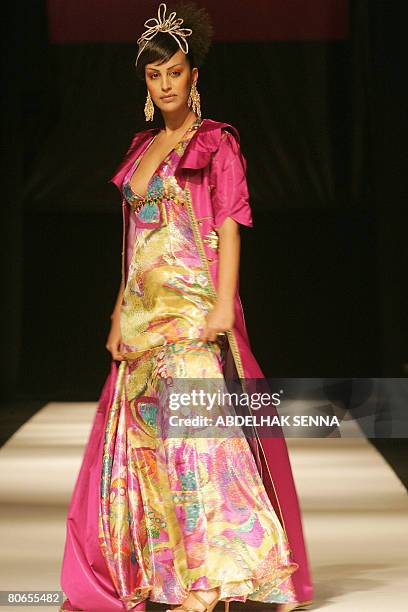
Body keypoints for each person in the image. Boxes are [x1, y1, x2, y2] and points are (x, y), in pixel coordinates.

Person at [59, 3, 313, 612]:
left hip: (194, 308)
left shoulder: (215, 142)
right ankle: (168, 577)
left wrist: (224, 304)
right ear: (145, 84)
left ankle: (226, 577)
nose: (166, 84)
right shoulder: (142, 148)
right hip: (144, 316)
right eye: (155, 76)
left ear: (193, 75)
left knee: (204, 443)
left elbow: (228, 225)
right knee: (145, 450)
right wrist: (119, 312)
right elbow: (133, 240)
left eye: (175, 71)